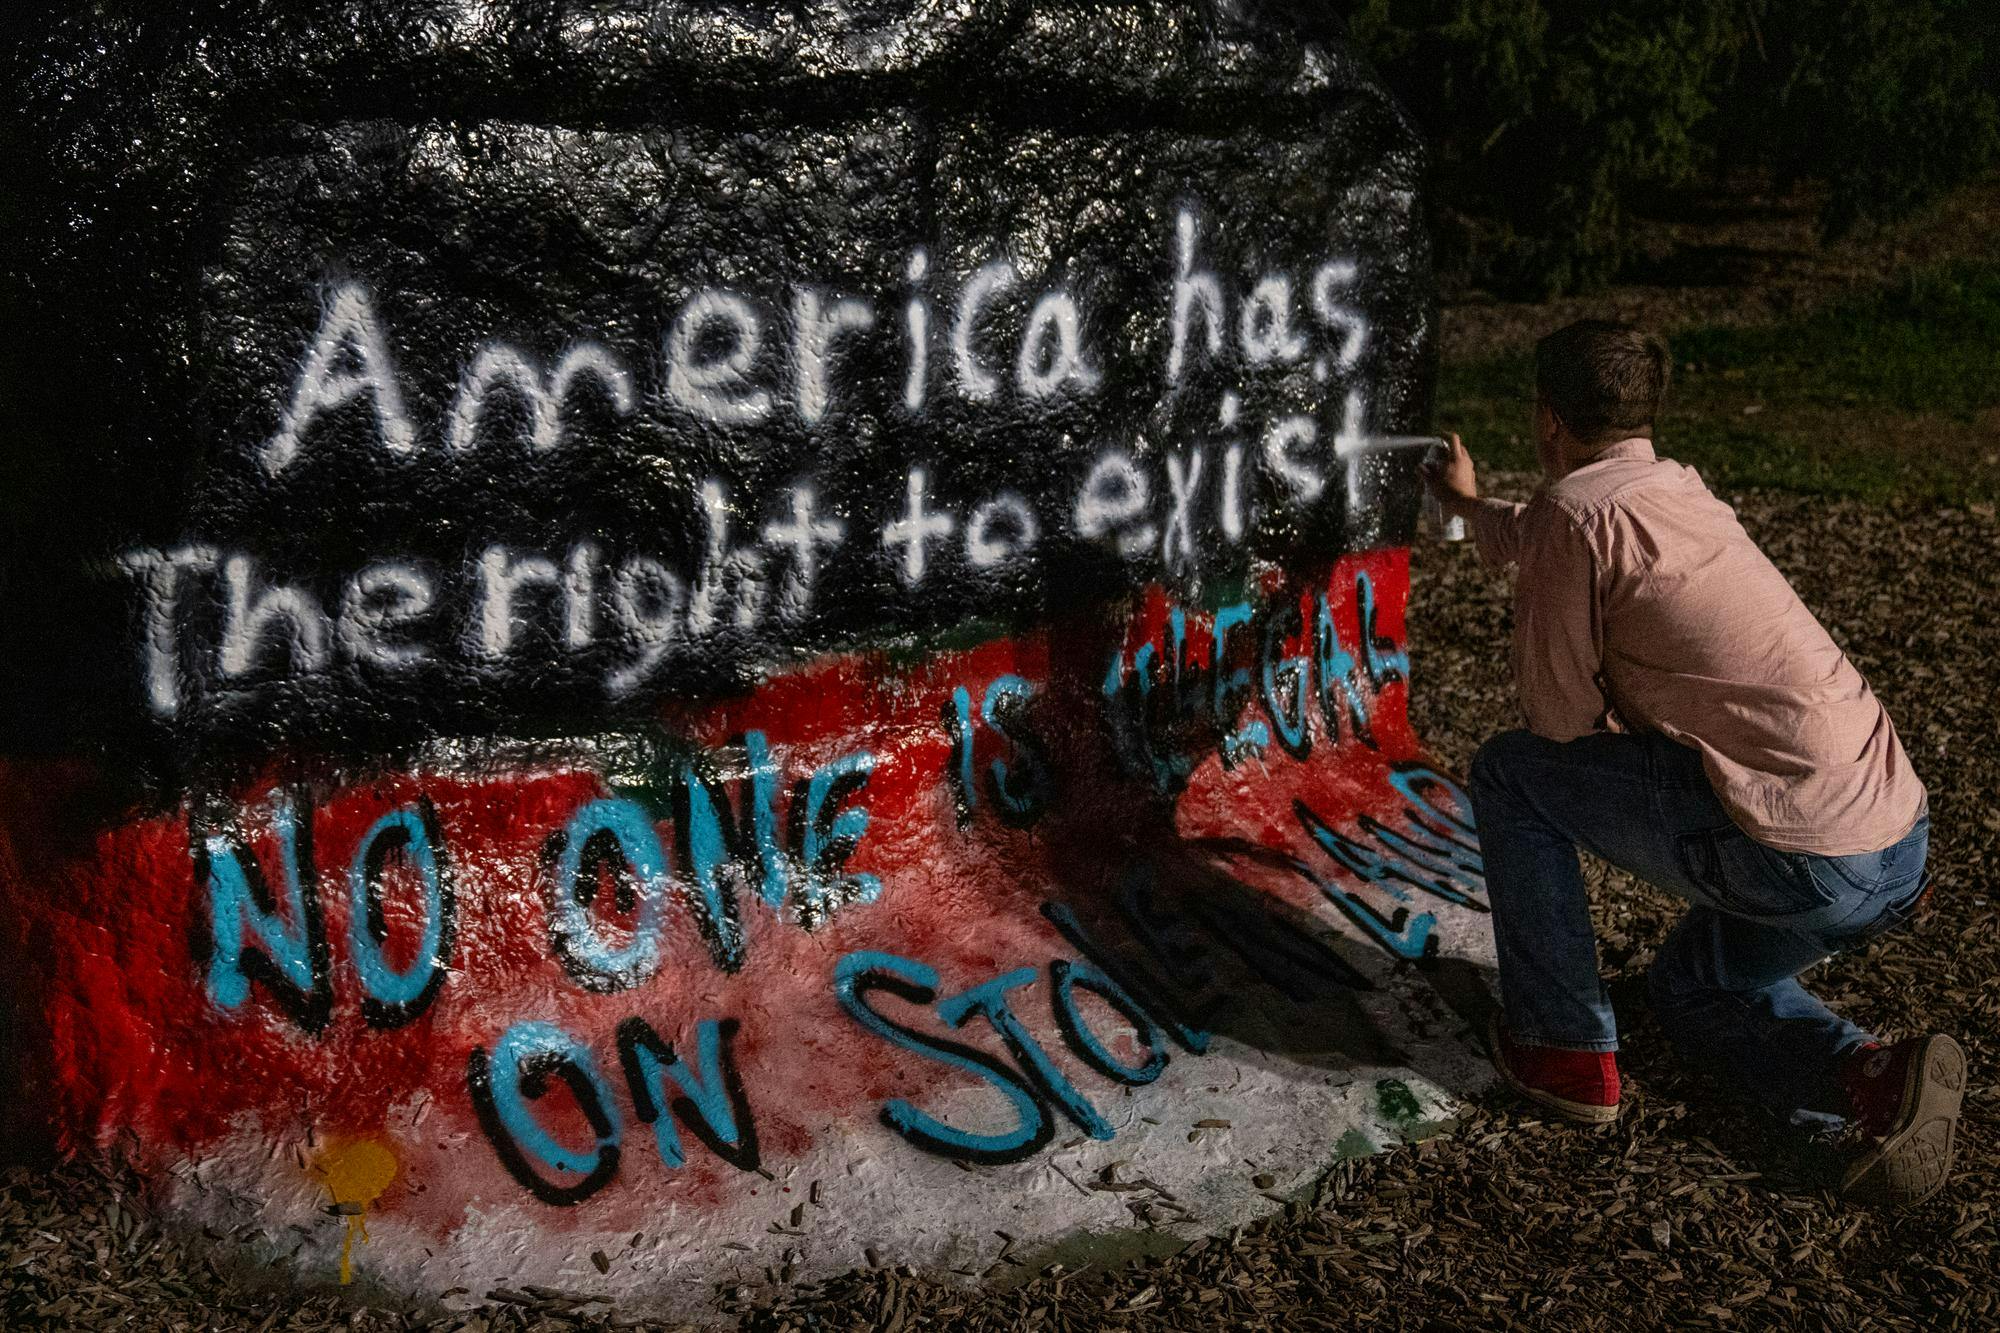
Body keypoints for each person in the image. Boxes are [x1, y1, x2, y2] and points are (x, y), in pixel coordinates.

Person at [1422, 319, 1961, 1207]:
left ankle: (1561, 1046)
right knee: (1688, 987)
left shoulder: (1575, 515)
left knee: (1512, 774)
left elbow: (1559, 724)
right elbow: (1578, 536)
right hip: (1894, 841)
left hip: (1796, 853)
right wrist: (1473, 510)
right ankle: (1869, 1077)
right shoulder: (1680, 492)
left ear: (1548, 419)